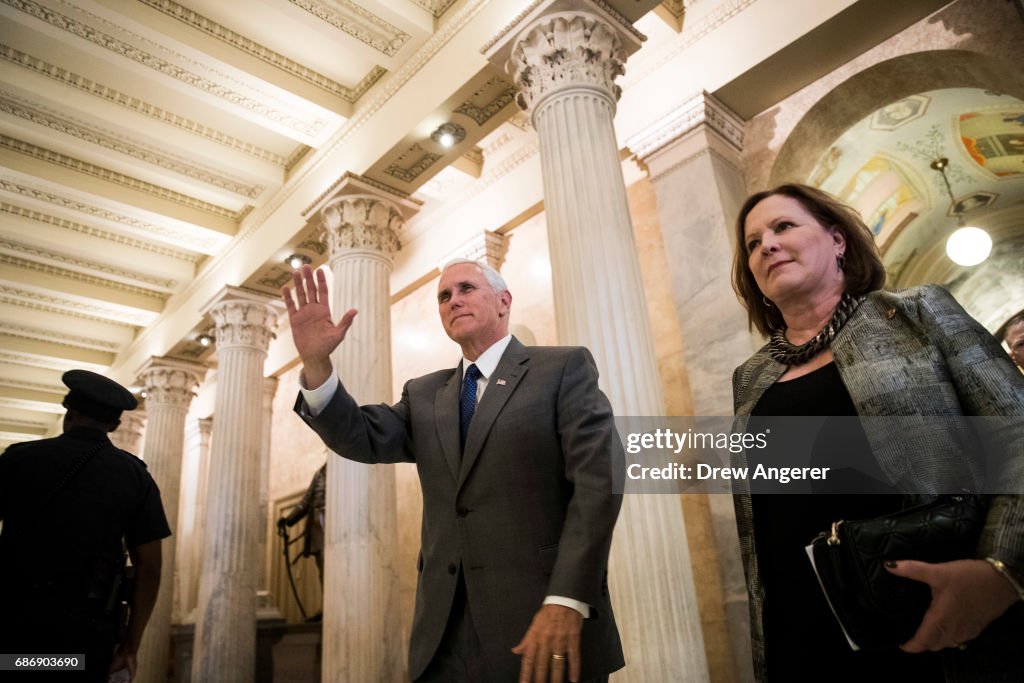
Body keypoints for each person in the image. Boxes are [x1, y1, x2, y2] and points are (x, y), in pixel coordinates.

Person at [730, 183, 1024, 682]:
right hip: (801, 630)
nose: (768, 245)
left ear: (838, 240)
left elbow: (1016, 435)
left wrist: (1001, 568)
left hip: (933, 615)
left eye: (783, 227)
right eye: (753, 243)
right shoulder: (750, 377)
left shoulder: (918, 312)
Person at [283, 259, 623, 683]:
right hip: (444, 641)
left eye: (465, 289)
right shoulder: (425, 394)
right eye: (444, 296)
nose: (453, 300)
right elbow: (361, 436)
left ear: (504, 301)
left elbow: (598, 484)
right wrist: (317, 366)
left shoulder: (561, 369)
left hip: (541, 625)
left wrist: (568, 598)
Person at [0, 370, 171, 682]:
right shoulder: (134, 475)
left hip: (15, 622)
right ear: (115, 424)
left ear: (69, 412)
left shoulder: (18, 459)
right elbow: (150, 568)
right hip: (86, 633)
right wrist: (130, 646)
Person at [278, 463, 327, 588]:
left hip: (333, 524)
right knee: (323, 569)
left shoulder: (342, 466)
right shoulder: (319, 473)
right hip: (318, 527)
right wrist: (288, 520)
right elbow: (306, 501)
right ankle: (326, 604)